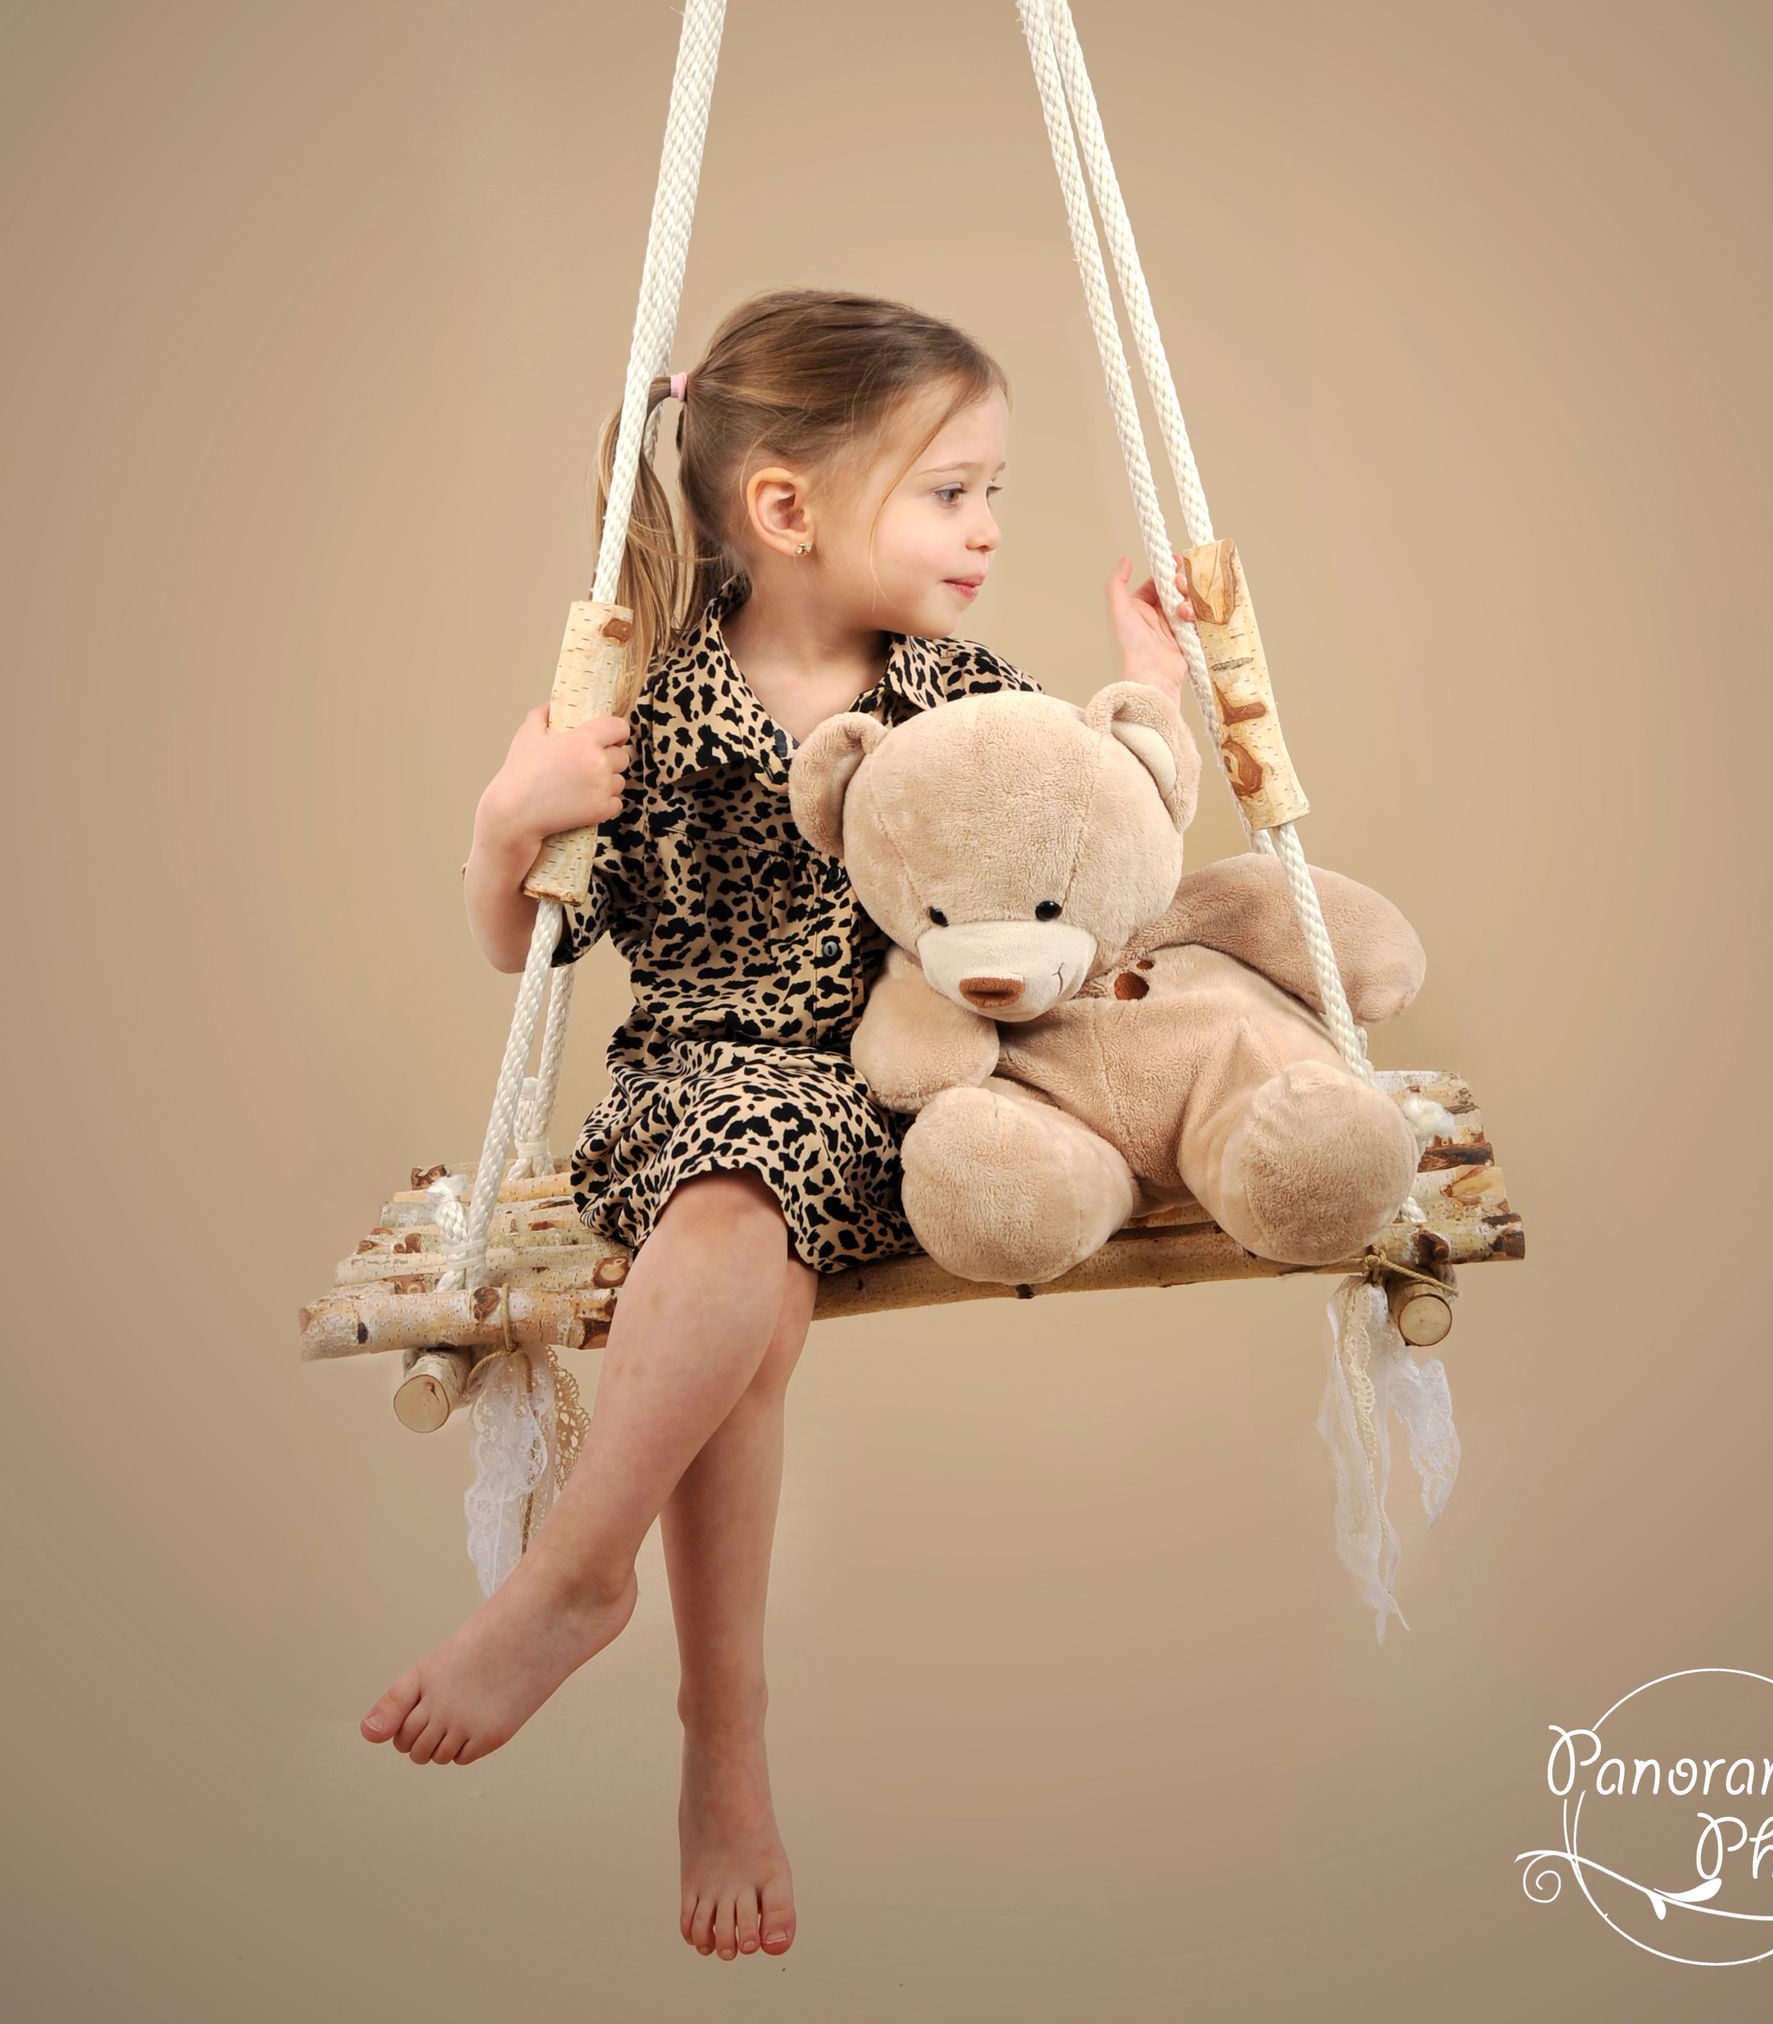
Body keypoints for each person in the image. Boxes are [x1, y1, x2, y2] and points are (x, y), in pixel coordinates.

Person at [358, 289, 1195, 1959]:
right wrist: (499, 825)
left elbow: (1086, 861)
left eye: (995, 491)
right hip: (692, 1096)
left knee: (749, 1233)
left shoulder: (965, 696)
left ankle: (593, 1600)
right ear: (787, 508)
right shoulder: (645, 704)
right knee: (736, 1232)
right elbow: (528, 944)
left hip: (919, 1089)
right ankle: (698, 1715)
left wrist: (1156, 697)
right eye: (951, 490)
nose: (988, 529)